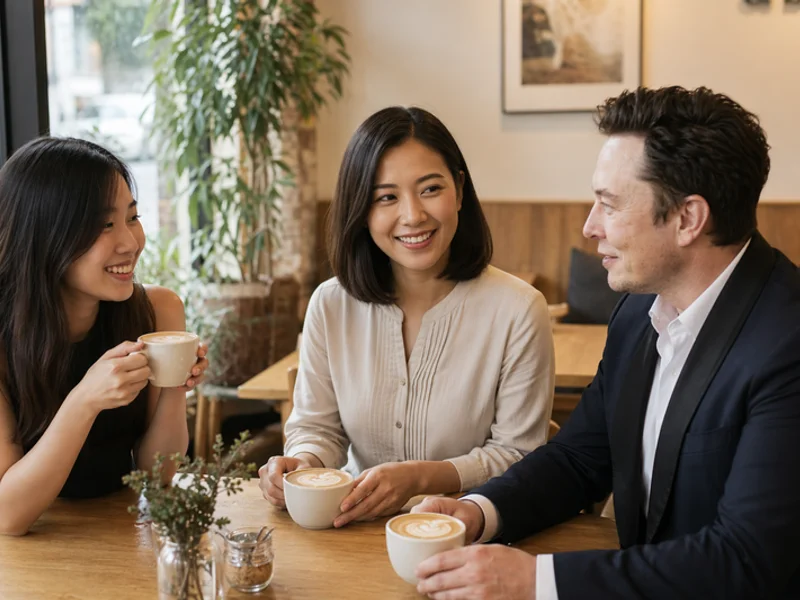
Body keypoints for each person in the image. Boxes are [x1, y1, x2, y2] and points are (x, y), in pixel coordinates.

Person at [413, 86, 800, 599]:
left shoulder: (787, 342)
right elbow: (580, 457)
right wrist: (481, 510)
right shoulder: (639, 311)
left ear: (688, 219)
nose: (589, 227)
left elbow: (746, 560)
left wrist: (536, 581)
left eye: (608, 204)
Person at [259, 106, 555, 526]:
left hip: (467, 537)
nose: (413, 215)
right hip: (350, 534)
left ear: (460, 189)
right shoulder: (330, 303)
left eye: (430, 189)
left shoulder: (519, 309)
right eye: (386, 197)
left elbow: (518, 454)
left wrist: (423, 476)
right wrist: (299, 463)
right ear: (362, 210)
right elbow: (318, 429)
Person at [0, 137, 209, 535]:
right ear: (45, 236)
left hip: (118, 535)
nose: (130, 243)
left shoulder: (158, 311)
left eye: (132, 217)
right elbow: (8, 516)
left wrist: (175, 384)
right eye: (103, 225)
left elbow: (158, 474)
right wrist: (85, 400)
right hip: (27, 562)